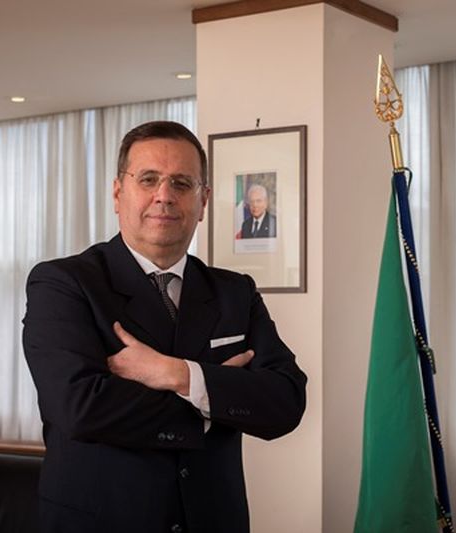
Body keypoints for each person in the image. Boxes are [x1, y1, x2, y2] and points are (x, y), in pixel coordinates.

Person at [22, 121, 307, 533]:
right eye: (148, 179)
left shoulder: (235, 292)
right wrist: (212, 399)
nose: (164, 195)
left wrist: (176, 374)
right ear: (118, 193)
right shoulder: (64, 283)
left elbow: (286, 402)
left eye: (181, 183)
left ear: (203, 201)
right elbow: (80, 409)